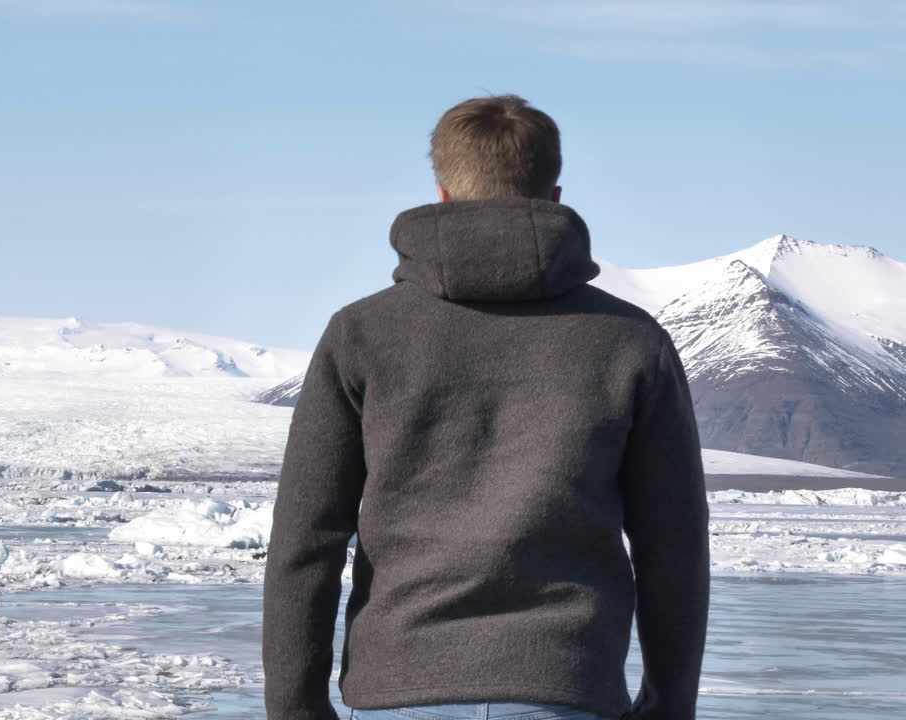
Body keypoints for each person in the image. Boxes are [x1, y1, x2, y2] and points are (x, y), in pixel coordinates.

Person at [261, 94, 711, 720]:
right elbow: (674, 543)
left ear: (442, 195)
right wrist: (668, 703)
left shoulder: (362, 332)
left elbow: (306, 538)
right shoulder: (630, 340)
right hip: (565, 686)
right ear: (554, 197)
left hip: (399, 685)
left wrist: (295, 707)